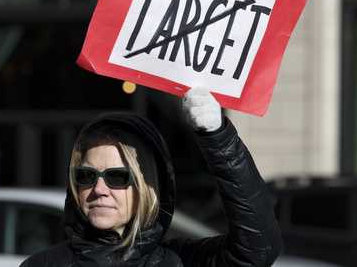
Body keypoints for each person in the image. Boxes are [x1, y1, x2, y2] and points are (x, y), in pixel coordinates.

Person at [20, 87, 282, 266]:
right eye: (86, 175)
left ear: (148, 187)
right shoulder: (42, 264)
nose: (98, 188)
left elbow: (258, 248)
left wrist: (217, 136)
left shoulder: (179, 260)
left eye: (117, 177)